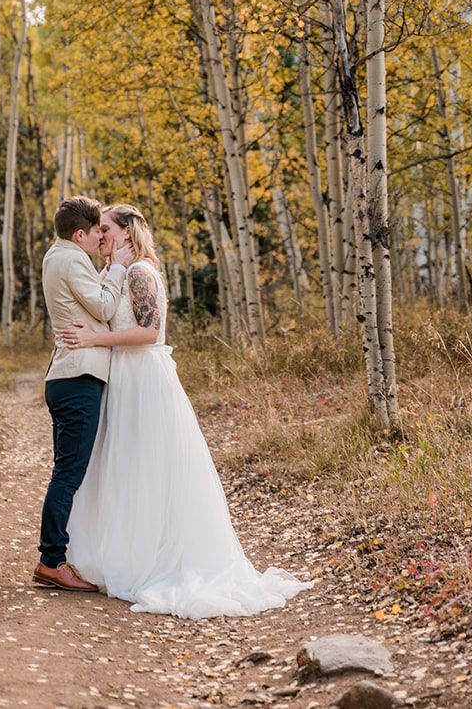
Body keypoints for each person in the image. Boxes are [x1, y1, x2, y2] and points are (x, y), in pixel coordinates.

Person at [58, 203, 313, 619]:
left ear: (126, 233)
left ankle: (158, 561)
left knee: (152, 470)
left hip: (145, 379)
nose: (98, 234)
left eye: (105, 228)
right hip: (122, 377)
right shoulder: (113, 273)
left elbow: (148, 332)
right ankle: (126, 553)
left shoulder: (140, 272)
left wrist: (94, 341)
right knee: (126, 469)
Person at [32, 195, 134, 592]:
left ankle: (55, 557)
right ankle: (51, 560)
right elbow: (106, 306)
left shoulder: (54, 256)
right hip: (78, 377)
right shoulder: (73, 260)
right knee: (69, 473)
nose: (99, 240)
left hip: (64, 376)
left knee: (66, 470)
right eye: (96, 233)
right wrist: (119, 268)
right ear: (81, 234)